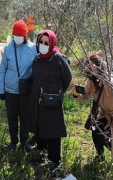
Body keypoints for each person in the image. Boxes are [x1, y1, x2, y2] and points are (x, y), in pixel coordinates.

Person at [72, 53, 113, 160]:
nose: (89, 72)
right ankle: (100, 156)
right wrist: (76, 94)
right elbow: (86, 95)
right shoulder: (91, 81)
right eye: (87, 70)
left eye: (91, 69)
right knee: (96, 129)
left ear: (99, 67)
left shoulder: (112, 83)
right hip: (106, 115)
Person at [28, 30, 72, 173]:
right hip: (38, 101)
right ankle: (42, 152)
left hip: (52, 101)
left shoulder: (58, 58)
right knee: (40, 127)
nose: (43, 45)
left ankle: (55, 160)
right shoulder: (38, 59)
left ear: (52, 43)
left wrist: (58, 92)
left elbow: (68, 78)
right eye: (41, 42)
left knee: (53, 131)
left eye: (47, 43)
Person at [0, 20, 37, 151]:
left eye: (20, 35)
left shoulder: (32, 49)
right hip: (10, 90)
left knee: (25, 117)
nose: (17, 37)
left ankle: (24, 142)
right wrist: (1, 89)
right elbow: (2, 70)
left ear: (25, 36)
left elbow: (36, 69)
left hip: (25, 90)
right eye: (15, 35)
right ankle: (13, 142)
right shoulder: (8, 48)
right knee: (12, 117)